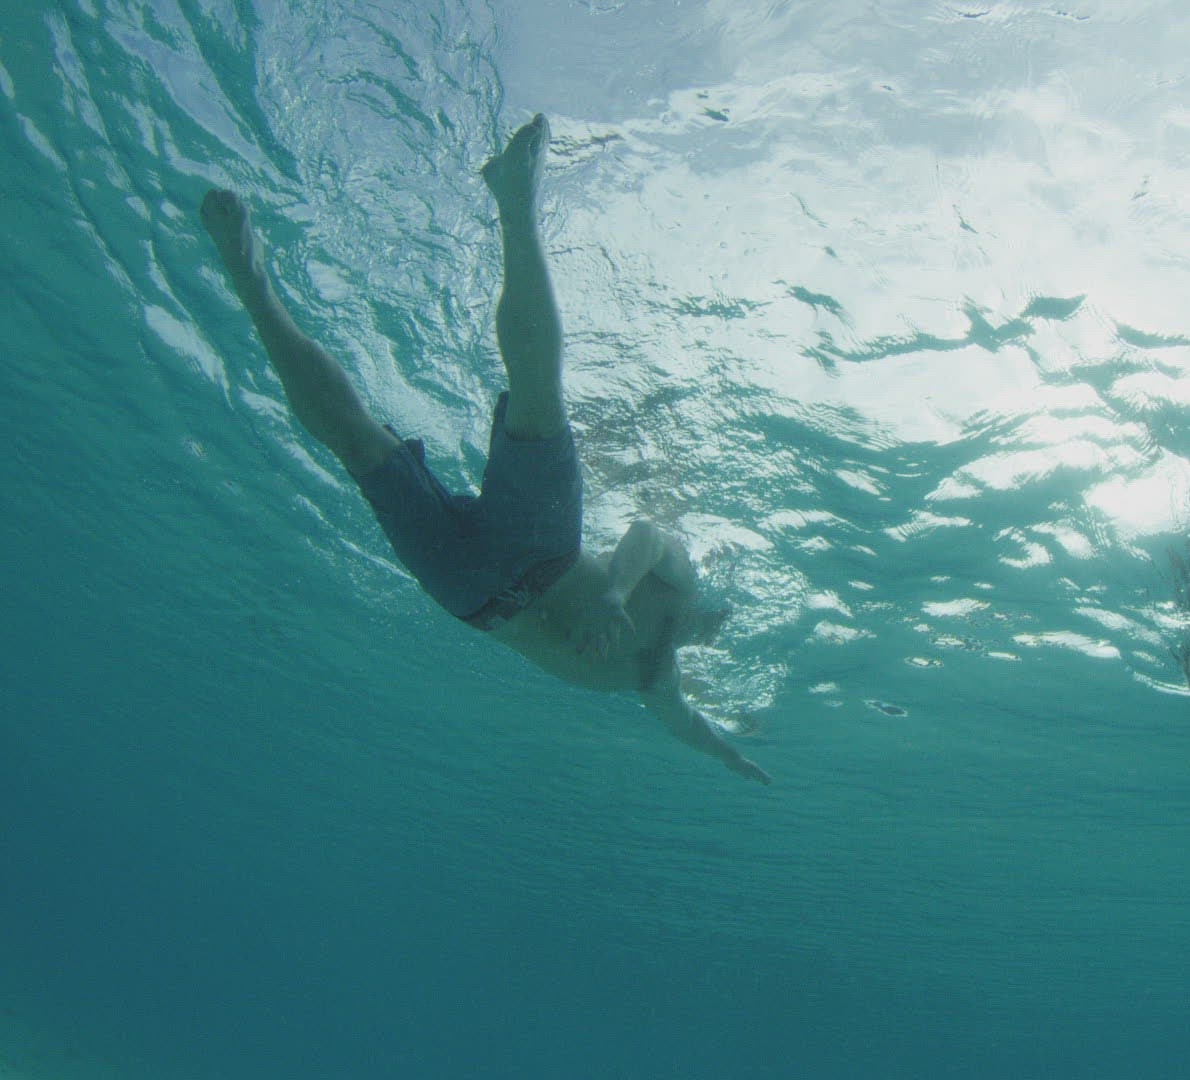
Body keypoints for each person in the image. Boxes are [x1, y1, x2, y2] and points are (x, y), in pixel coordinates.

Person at [199, 114, 769, 784]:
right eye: (724, 617)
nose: (719, 626)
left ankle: (251, 285)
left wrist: (732, 757)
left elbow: (688, 727)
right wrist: (615, 593)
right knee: (537, 401)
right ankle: (514, 203)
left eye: (722, 627)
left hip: (469, 592)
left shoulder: (656, 678)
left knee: (358, 444)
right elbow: (648, 533)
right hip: (539, 548)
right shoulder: (680, 589)